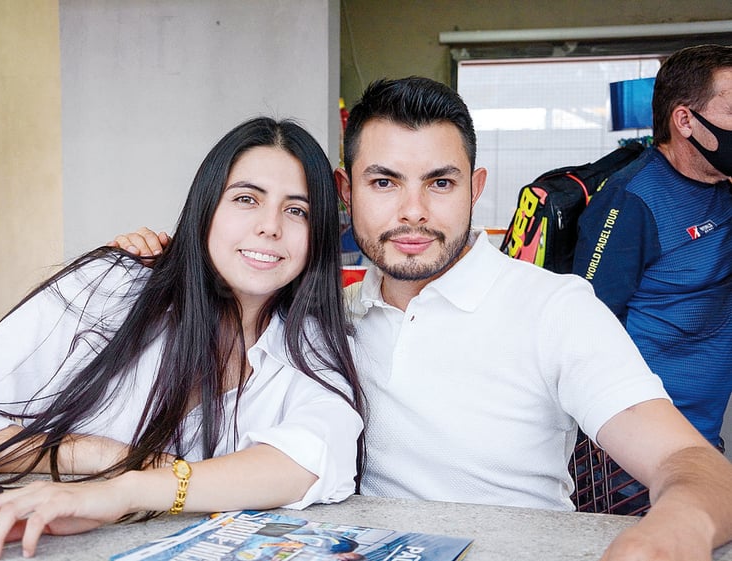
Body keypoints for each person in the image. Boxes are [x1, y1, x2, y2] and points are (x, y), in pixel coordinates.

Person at [116, 77, 732, 561]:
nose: (414, 213)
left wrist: (674, 532)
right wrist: (171, 262)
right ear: (346, 191)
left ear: (476, 188)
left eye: (440, 183)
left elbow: (692, 463)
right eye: (384, 182)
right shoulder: (330, 312)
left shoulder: (554, 308)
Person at [0, 117, 365, 561]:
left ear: (318, 234)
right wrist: (108, 457)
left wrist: (120, 490)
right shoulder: (109, 288)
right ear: (206, 210)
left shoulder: (309, 345)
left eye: (297, 210)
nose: (270, 226)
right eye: (246, 198)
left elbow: (315, 458)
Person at [573, 44, 732, 452]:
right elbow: (585, 325)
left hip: (703, 432)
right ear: (685, 120)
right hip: (637, 447)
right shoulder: (632, 199)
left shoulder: (723, 186)